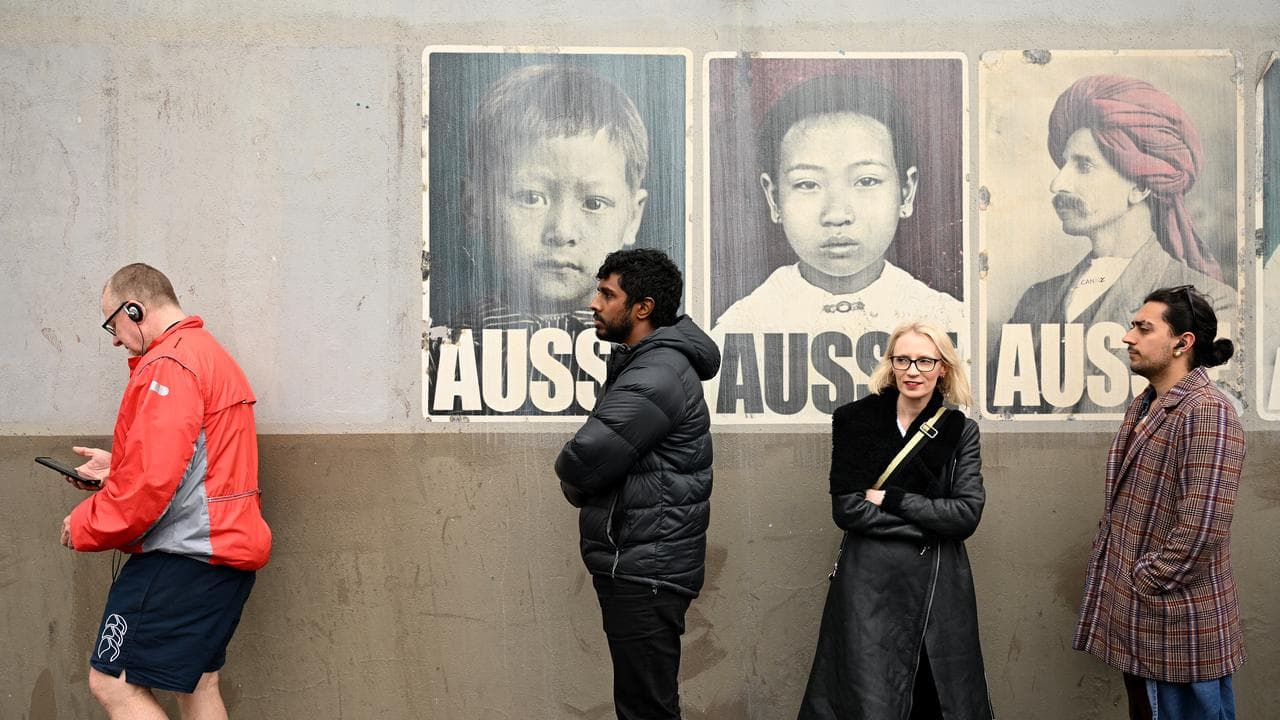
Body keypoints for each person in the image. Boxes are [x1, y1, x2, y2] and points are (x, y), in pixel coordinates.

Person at [60, 263, 271, 720]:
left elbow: (150, 485)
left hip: (184, 557)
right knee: (197, 683)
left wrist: (85, 523)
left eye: (112, 323)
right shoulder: (207, 354)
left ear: (133, 308)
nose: (115, 339)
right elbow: (200, 463)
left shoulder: (170, 363)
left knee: (112, 683)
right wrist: (116, 468)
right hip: (222, 555)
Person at [555, 248, 720, 719]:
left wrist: (578, 487)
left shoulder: (657, 373)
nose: (594, 303)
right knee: (647, 703)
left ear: (642, 307)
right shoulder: (651, 365)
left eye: (608, 294)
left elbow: (580, 460)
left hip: (645, 568)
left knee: (645, 708)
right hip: (646, 564)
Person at [799, 320, 993, 719]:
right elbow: (848, 509)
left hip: (940, 589)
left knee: (935, 698)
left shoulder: (960, 430)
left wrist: (892, 498)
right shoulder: (855, 420)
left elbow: (966, 515)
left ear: (943, 368)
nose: (913, 371)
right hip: (869, 586)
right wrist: (930, 525)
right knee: (867, 699)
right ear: (890, 365)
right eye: (902, 359)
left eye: (925, 361)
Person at [1074, 285, 1245, 720]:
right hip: (1145, 622)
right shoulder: (1148, 404)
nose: (1128, 337)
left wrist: (1144, 582)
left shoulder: (1207, 412)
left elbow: (1202, 528)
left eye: (1143, 327)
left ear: (1181, 343)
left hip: (1179, 625)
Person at [713, 73, 964, 335]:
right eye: (807, 184)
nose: (837, 214)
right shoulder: (739, 328)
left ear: (907, 191)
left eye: (866, 180)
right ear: (773, 198)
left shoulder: (950, 322)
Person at [1008, 75, 1233, 335]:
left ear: (1139, 187)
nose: (1057, 184)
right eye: (1063, 165)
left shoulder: (1210, 305)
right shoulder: (1035, 301)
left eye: (1083, 166)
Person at [459, 62, 650, 331]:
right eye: (531, 198)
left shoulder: (648, 347)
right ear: (474, 205)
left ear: (632, 217)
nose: (562, 232)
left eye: (594, 203)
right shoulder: (446, 343)